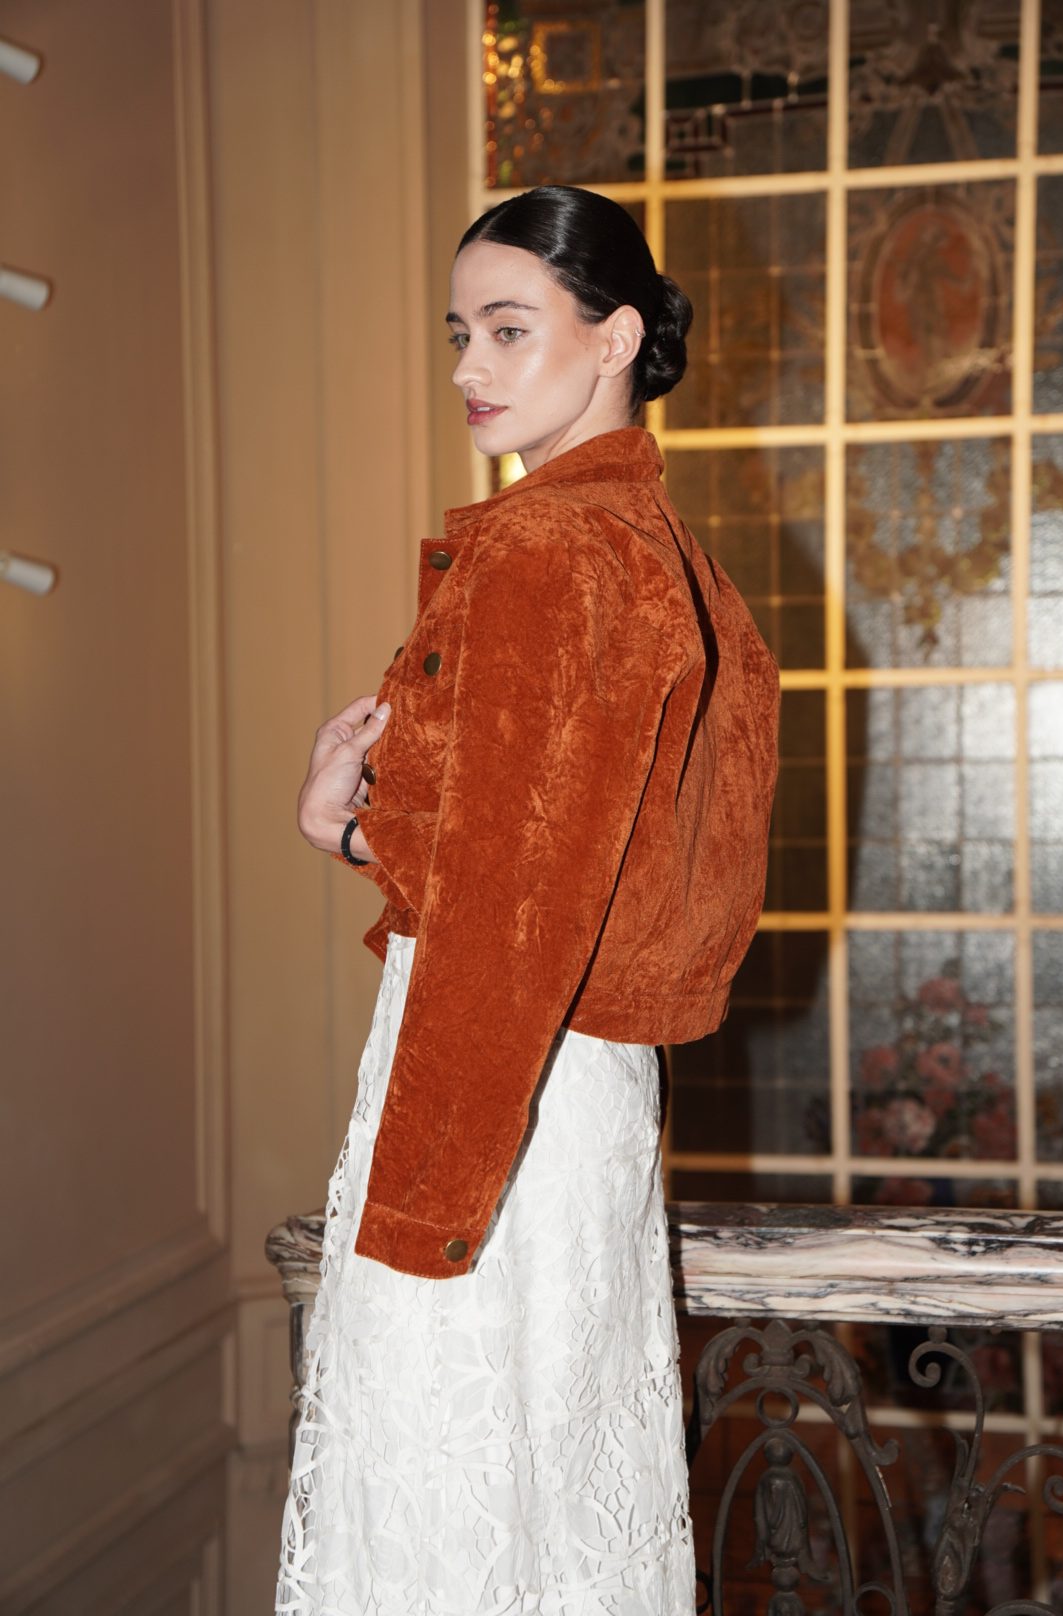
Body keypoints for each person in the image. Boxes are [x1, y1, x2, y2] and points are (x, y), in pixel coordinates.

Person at [275, 184, 780, 1615]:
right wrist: (356, 826)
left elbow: (510, 913)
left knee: (456, 1503)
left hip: (492, 1084)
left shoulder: (550, 548)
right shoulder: (661, 548)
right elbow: (572, 863)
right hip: (577, 1087)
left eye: (509, 329)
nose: (470, 370)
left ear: (615, 336)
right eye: (460, 334)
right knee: (555, 1503)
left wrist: (424, 1207)